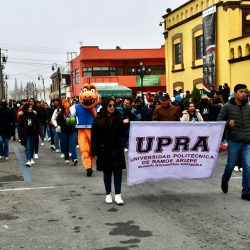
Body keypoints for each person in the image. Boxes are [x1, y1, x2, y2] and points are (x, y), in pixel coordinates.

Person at [91, 97, 127, 205]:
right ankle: (108, 194)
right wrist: (95, 152)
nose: (112, 107)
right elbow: (94, 137)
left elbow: (122, 133)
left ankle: (118, 195)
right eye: (109, 105)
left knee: (118, 171)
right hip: (104, 149)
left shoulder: (118, 117)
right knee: (107, 172)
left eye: (113, 105)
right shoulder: (98, 119)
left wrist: (125, 124)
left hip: (117, 148)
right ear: (105, 106)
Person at [218, 83, 250, 201]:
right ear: (235, 93)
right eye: (241, 91)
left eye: (245, 92)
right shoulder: (227, 106)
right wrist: (228, 124)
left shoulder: (248, 107)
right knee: (231, 165)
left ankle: (246, 192)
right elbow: (219, 121)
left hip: (247, 142)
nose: (244, 94)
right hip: (234, 141)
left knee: (247, 166)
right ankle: (225, 179)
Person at [56, 99, 78, 165]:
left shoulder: (73, 112)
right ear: (63, 105)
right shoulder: (60, 113)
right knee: (65, 145)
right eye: (64, 103)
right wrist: (65, 123)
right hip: (64, 131)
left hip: (72, 131)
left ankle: (74, 159)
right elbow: (58, 122)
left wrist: (74, 123)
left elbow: (77, 119)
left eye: (67, 103)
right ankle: (66, 158)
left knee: (72, 144)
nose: (66, 104)